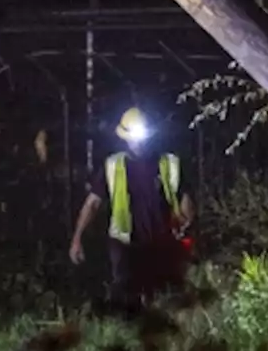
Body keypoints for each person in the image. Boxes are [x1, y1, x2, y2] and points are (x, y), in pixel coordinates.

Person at [69, 107, 195, 311]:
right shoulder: (112, 166)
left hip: (162, 241)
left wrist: (187, 221)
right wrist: (77, 238)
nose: (139, 143)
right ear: (125, 138)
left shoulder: (169, 163)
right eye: (134, 138)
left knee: (164, 295)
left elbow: (184, 196)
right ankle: (123, 332)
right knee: (125, 293)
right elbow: (92, 203)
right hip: (124, 243)